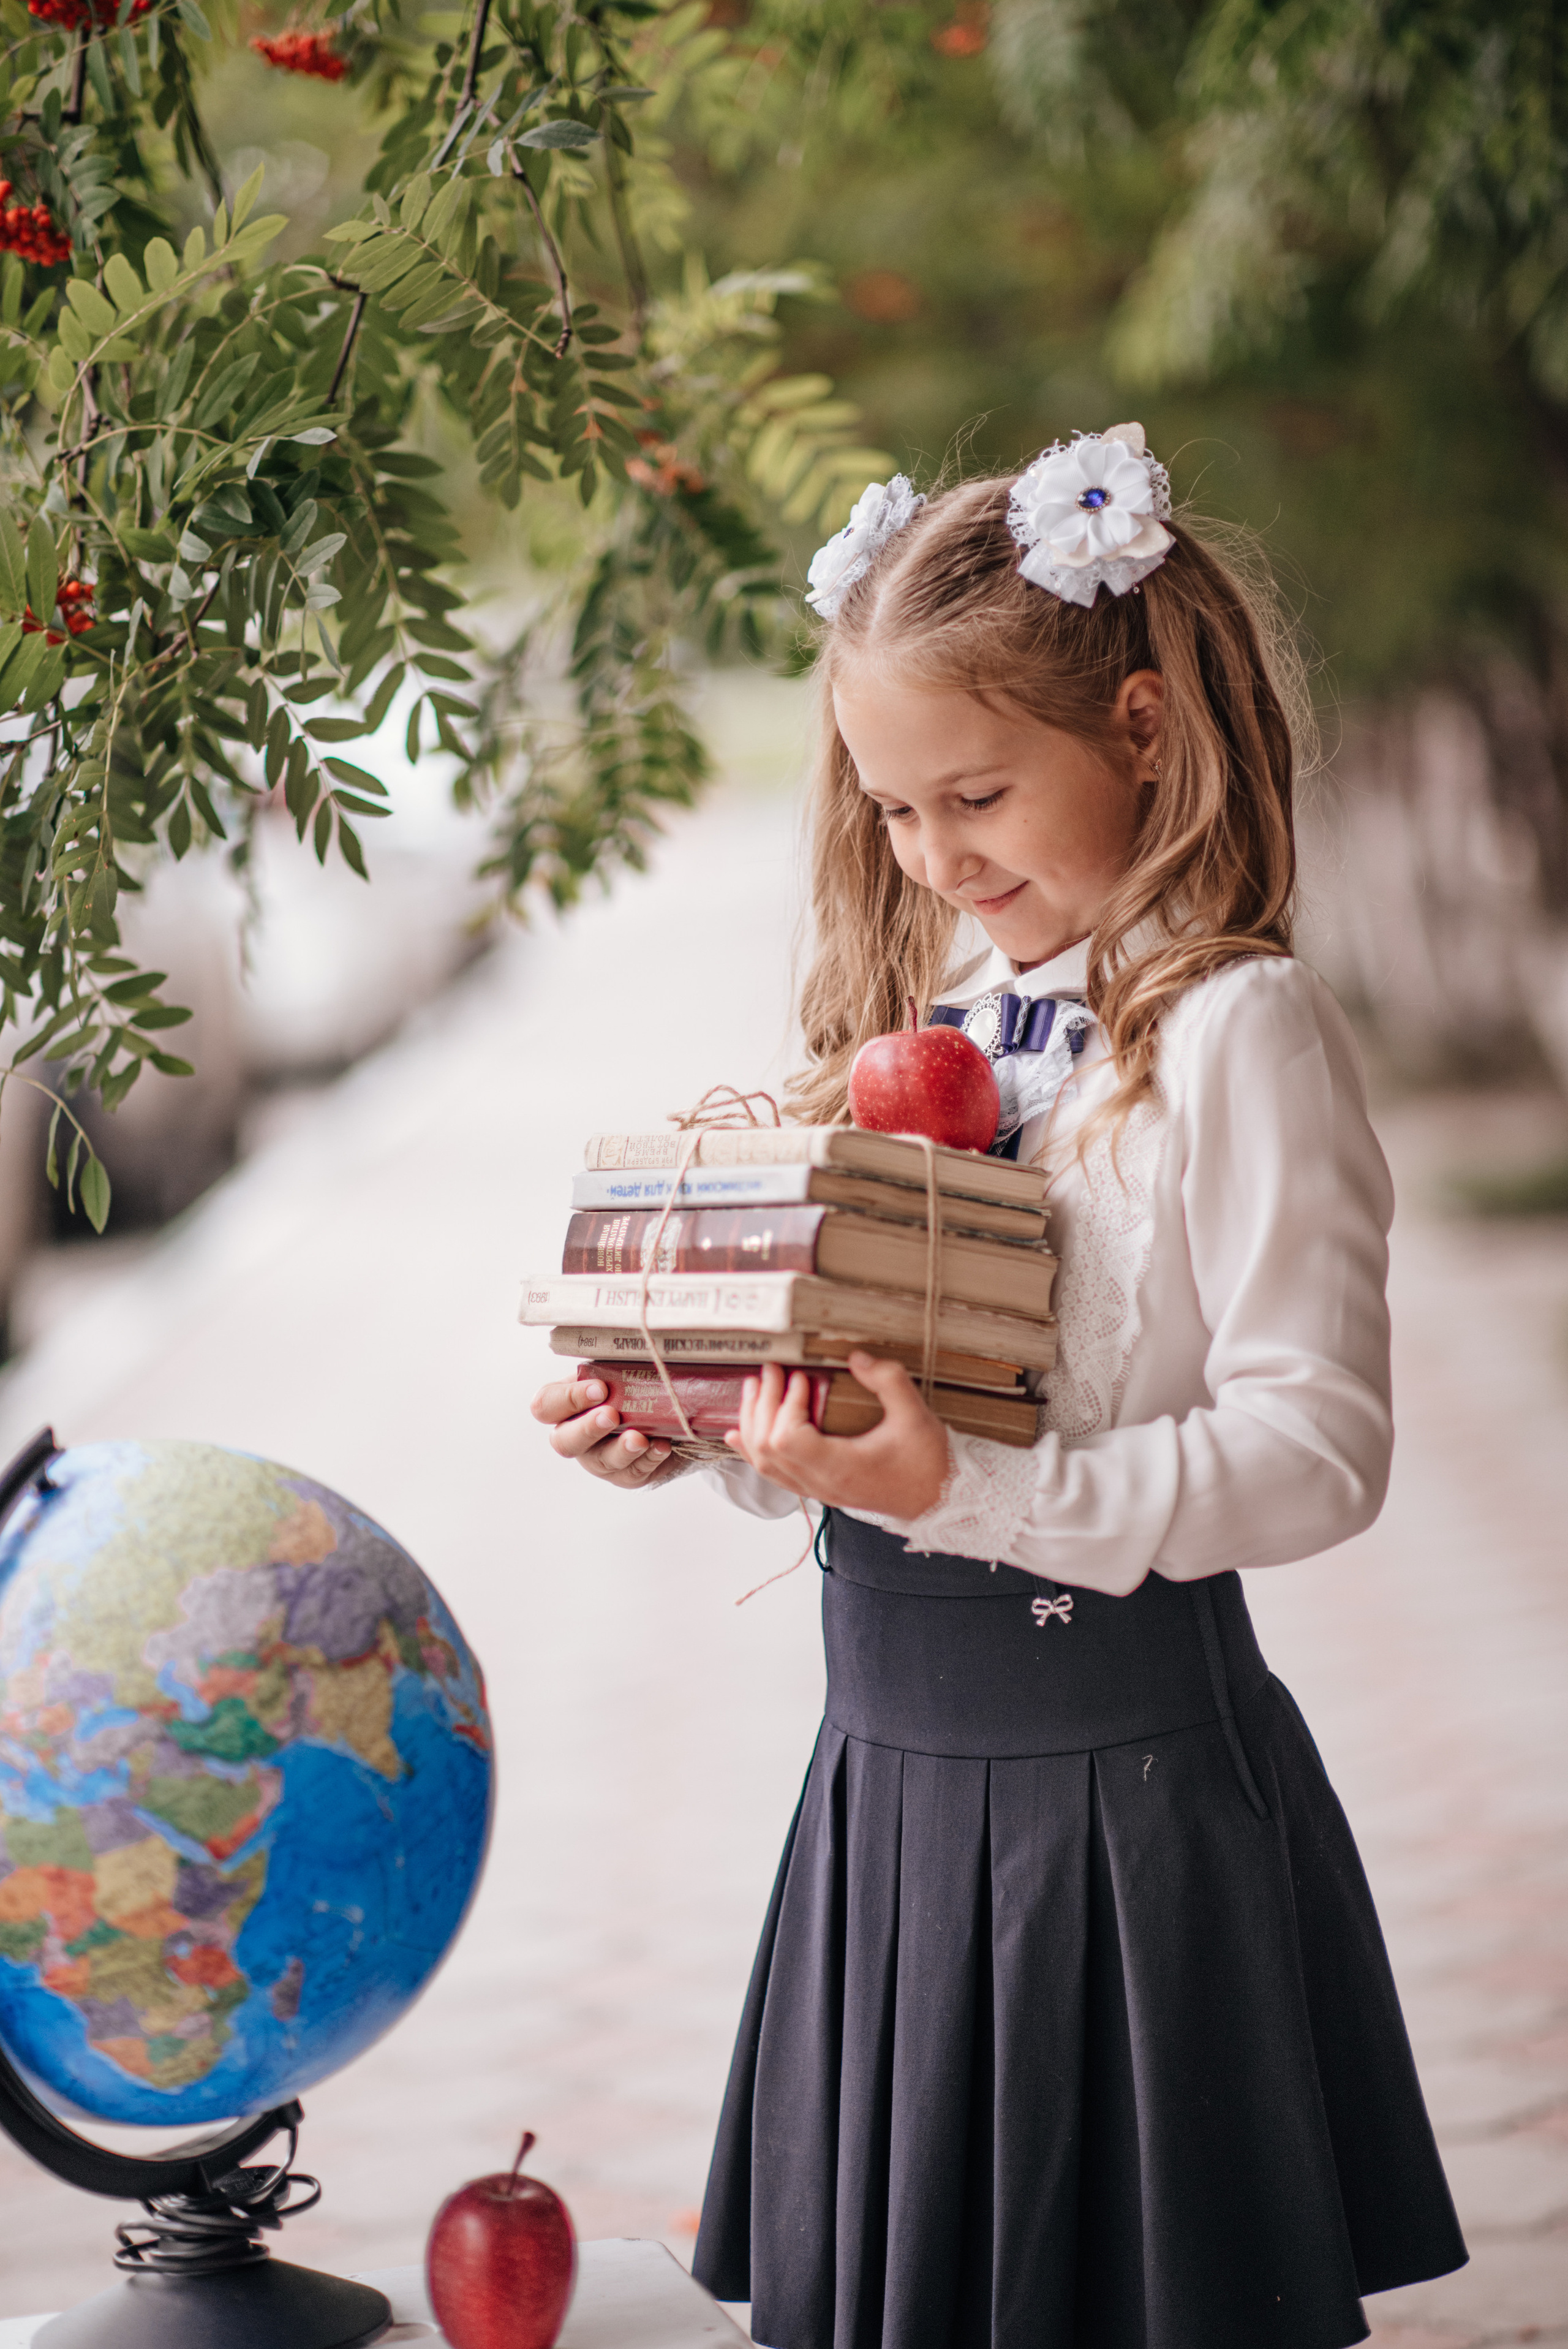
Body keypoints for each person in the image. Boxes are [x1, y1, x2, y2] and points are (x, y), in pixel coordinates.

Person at [530, 428, 1467, 2349]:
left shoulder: (1236, 1031)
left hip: (1121, 1810)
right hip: (884, 1796)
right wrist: (700, 1428)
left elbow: (1319, 1451)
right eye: (890, 812)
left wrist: (968, 1492)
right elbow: (887, 1412)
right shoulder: (930, 1040)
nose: (936, 860)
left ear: (1139, 726)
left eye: (975, 795)